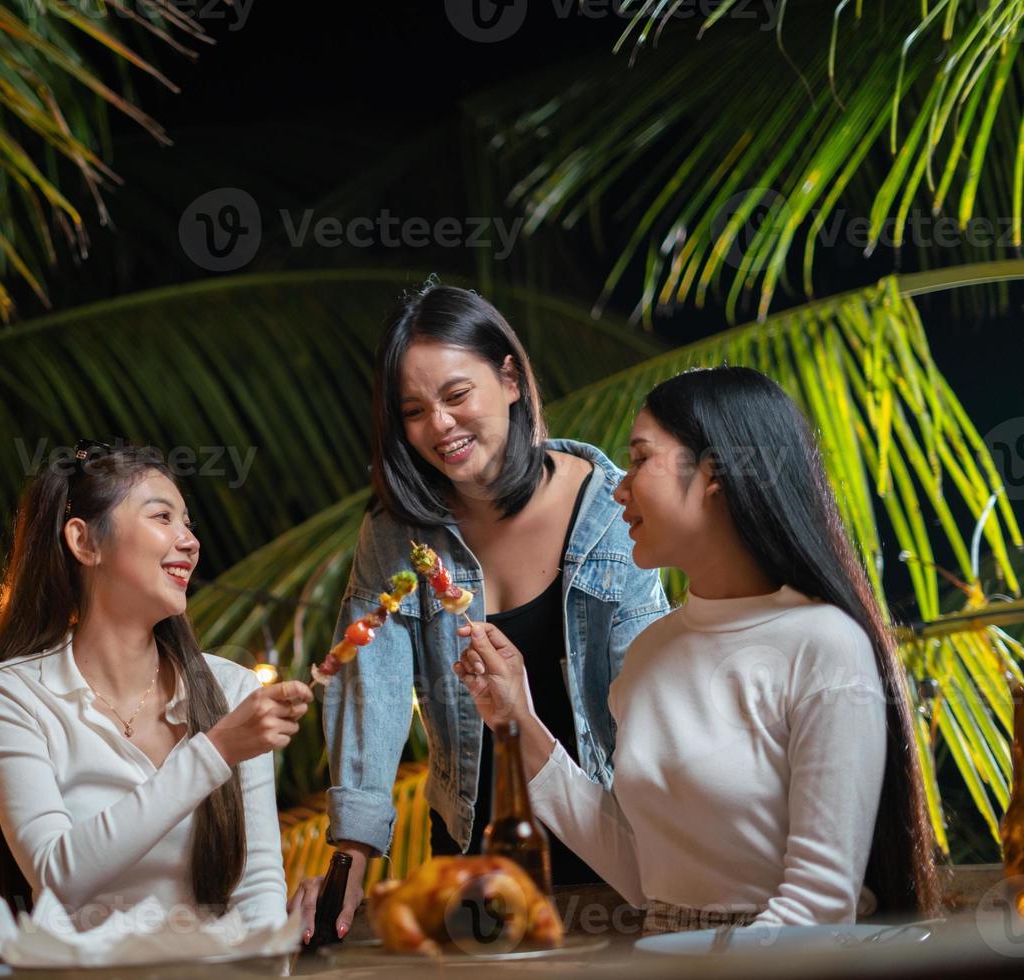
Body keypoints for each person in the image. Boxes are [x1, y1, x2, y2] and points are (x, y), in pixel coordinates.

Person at [452, 367, 941, 931]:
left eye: (640, 459)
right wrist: (517, 720)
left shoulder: (825, 644)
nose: (619, 487)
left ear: (715, 472)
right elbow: (645, 875)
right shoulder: (649, 654)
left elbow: (818, 909)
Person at [292, 283, 670, 943]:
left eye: (456, 395)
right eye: (413, 410)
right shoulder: (397, 532)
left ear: (512, 379)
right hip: (472, 851)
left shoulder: (613, 507)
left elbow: (647, 697)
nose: (439, 426)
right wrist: (351, 855)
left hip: (611, 844)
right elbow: (372, 691)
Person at [0, 441, 313, 928]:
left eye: (187, 522)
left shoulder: (233, 690)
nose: (189, 540)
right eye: (162, 517)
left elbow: (257, 888)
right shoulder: (15, 696)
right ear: (85, 542)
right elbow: (57, 879)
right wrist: (215, 752)